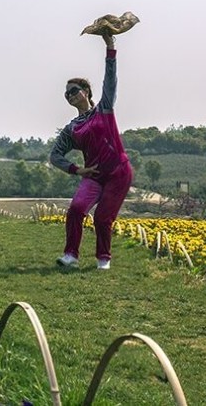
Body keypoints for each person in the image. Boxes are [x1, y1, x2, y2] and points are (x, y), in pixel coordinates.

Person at [49, 32, 133, 270]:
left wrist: (110, 47)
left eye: (74, 90)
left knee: (102, 218)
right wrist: (77, 169)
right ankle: (71, 256)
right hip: (93, 175)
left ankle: (103, 259)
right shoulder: (72, 128)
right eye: (66, 94)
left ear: (86, 91)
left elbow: (110, 80)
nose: (70, 96)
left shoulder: (104, 109)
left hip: (118, 173)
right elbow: (55, 156)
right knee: (76, 209)